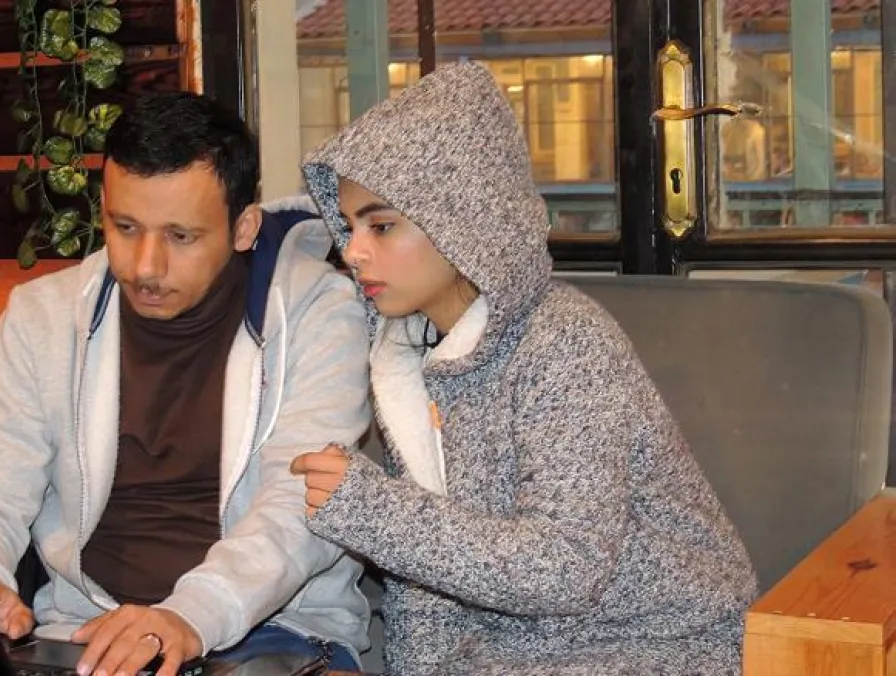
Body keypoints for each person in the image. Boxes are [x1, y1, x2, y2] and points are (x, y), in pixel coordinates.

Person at [292, 62, 758, 675]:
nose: (353, 251)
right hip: (515, 654)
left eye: (381, 226)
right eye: (350, 226)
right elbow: (429, 579)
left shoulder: (566, 343)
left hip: (663, 642)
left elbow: (566, 567)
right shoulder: (408, 356)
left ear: (465, 219)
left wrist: (376, 510)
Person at [0, 91, 373, 676]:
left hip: (278, 633)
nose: (145, 266)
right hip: (83, 632)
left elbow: (303, 509)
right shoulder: (41, 317)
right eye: (125, 227)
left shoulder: (319, 313)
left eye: (180, 236)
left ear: (243, 227)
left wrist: (191, 614)